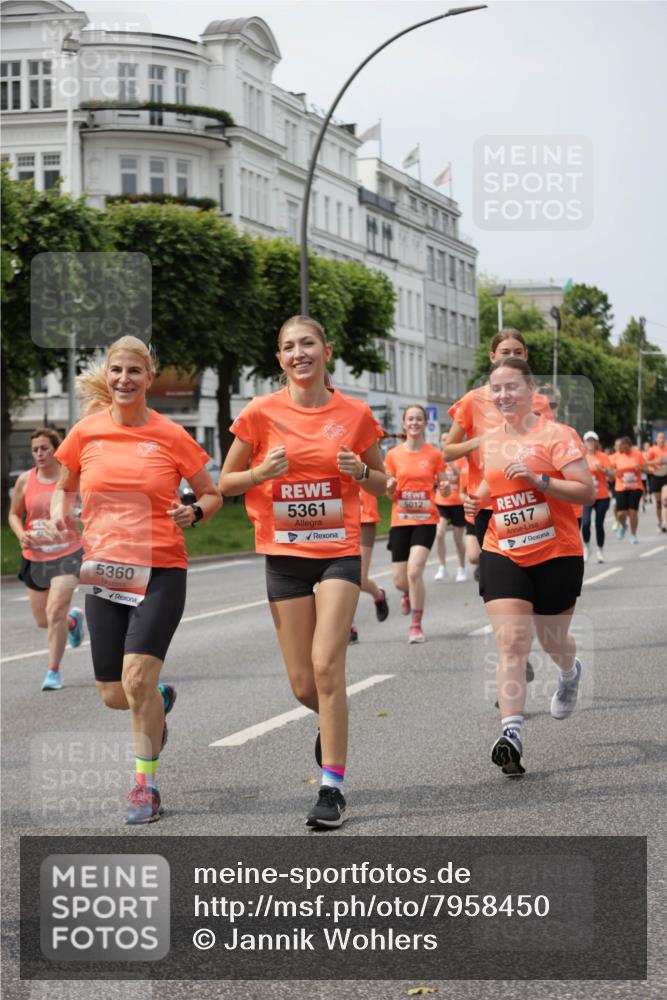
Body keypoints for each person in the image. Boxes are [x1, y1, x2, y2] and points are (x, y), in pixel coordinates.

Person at [219, 316, 386, 829]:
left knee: (325, 664)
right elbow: (224, 483)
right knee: (301, 684)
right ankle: (330, 722)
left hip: (338, 552)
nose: (299, 353)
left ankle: (332, 786)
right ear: (280, 359)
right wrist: (259, 474)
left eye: (307, 343)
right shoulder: (260, 412)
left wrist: (361, 472)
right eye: (289, 346)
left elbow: (383, 485)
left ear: (326, 350)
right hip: (284, 556)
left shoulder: (355, 415)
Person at [49, 336, 221, 824]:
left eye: (134, 371)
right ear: (109, 376)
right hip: (104, 569)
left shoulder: (170, 434)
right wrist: (62, 517)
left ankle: (145, 786)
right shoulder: (85, 433)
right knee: (113, 695)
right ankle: (159, 701)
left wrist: (195, 511)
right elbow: (64, 488)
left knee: (136, 676)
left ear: (149, 377)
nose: (124, 379)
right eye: (116, 371)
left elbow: (211, 494)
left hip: (161, 568)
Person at [463, 358, 595, 777]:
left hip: (557, 552)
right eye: (495, 390)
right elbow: (492, 483)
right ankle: (512, 733)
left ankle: (569, 672)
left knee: (552, 639)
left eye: (511, 388)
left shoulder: (558, 435)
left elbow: (586, 491)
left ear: (530, 388)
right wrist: (475, 500)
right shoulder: (490, 440)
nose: (503, 396)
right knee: (512, 643)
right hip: (504, 548)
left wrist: (541, 482)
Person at [8, 427, 84, 691]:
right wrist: (20, 535)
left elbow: (91, 509)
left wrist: (75, 514)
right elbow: (14, 514)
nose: (39, 454)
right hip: (35, 556)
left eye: (44, 448)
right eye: (35, 450)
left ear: (56, 449)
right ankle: (72, 621)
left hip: (68, 553)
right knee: (44, 620)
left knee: (55, 612)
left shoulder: (72, 479)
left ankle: (53, 671)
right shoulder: (26, 481)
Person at [384, 405, 447, 644]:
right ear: (403, 423)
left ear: (424, 423)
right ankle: (407, 594)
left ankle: (415, 624)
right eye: (410, 419)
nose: (414, 423)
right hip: (400, 521)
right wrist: (390, 488)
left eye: (418, 419)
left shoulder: (434, 454)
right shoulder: (392, 455)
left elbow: (443, 484)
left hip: (425, 520)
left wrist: (448, 488)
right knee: (400, 580)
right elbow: (389, 494)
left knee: (414, 571)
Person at [349, 487, 390, 643]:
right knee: (340, 578)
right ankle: (349, 627)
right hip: (337, 519)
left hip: (365, 517)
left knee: (358, 578)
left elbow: (380, 479)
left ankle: (378, 595)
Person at [433, 449, 467, 582]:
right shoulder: (438, 459)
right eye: (443, 440)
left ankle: (461, 568)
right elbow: (434, 479)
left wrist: (452, 465)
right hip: (441, 502)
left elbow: (464, 477)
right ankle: (442, 567)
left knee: (458, 540)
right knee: (439, 534)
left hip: (457, 503)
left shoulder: (461, 458)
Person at [581, 431, 613, 562]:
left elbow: (611, 476)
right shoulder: (581, 457)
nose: (590, 443)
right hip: (586, 496)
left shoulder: (603, 457)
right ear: (584, 443)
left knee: (599, 524)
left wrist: (602, 470)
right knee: (586, 523)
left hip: (602, 495)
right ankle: (587, 547)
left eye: (593, 440)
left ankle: (600, 550)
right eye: (588, 440)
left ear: (596, 442)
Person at [608, 436, 647, 543]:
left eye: (627, 448)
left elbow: (647, 469)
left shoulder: (637, 454)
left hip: (635, 487)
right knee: (621, 513)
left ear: (630, 446)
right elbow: (610, 472)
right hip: (621, 487)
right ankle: (623, 525)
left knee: (633, 512)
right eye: (622, 448)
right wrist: (613, 473)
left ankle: (633, 534)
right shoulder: (615, 456)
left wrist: (640, 468)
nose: (625, 450)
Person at [647, 431, 667, 532]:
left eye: (663, 437)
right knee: (659, 503)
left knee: (665, 501)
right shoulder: (652, 450)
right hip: (656, 476)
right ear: (656, 440)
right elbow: (646, 462)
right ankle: (660, 522)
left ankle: (665, 522)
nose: (661, 439)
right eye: (659, 438)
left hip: (666, 476)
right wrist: (656, 462)